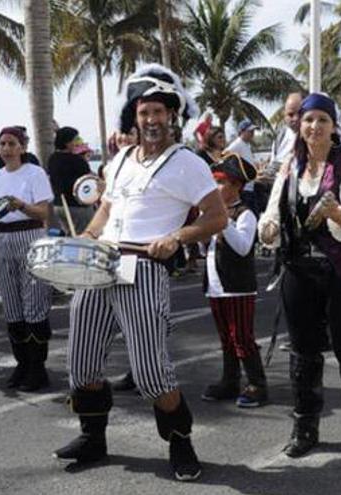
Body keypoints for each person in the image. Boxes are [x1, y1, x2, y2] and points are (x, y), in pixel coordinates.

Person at [53, 64, 227, 482]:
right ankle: (93, 438)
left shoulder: (186, 162)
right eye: (144, 112)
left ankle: (181, 442)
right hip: (101, 267)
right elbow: (106, 213)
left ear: (173, 115)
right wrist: (87, 241)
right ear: (134, 116)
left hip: (144, 270)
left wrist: (178, 237)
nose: (151, 120)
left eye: (159, 112)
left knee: (151, 372)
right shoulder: (120, 160)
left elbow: (217, 216)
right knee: (82, 365)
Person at [258, 93, 341, 466]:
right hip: (299, 269)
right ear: (299, 124)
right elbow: (273, 214)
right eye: (308, 120)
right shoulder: (289, 166)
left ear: (333, 127)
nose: (313, 127)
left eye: (322, 121)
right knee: (303, 351)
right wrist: (268, 229)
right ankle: (305, 427)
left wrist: (339, 213)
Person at [0, 126, 54, 392]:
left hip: (29, 236)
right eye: (2, 144)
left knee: (33, 301)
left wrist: (20, 204)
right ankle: (22, 363)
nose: (6, 148)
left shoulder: (34, 173)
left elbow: (43, 213)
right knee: (12, 304)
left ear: (22, 147)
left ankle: (38, 367)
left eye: (11, 143)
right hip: (3, 238)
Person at [201, 153, 266, 408]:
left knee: (242, 337)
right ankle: (230, 381)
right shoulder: (218, 212)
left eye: (221, 182)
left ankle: (257, 384)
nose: (216, 188)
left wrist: (223, 222)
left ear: (237, 185)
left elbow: (242, 247)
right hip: (217, 286)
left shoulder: (244, 214)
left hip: (237, 287)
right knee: (226, 338)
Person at [47, 126, 94, 235]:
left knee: (69, 234)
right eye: (75, 140)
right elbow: (88, 181)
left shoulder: (52, 159)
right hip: (77, 206)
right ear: (67, 142)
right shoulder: (77, 160)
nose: (77, 143)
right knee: (84, 236)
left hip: (59, 205)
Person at [226, 119, 259, 214]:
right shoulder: (237, 144)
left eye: (253, 131)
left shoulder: (246, 145)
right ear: (242, 132)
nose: (253, 134)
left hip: (250, 188)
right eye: (250, 131)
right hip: (244, 189)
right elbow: (225, 156)